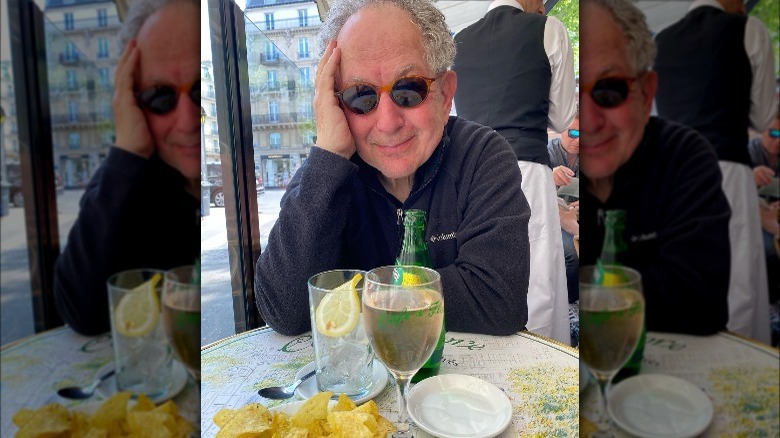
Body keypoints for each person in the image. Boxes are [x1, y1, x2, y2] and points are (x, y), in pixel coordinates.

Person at [254, 0, 532, 337]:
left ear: (445, 95)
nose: (387, 123)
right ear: (336, 107)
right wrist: (328, 156)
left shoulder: (482, 156)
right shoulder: (328, 169)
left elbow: (498, 300)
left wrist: (354, 294)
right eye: (360, 97)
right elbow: (285, 309)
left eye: (408, 89)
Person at [579, 0, 732, 335]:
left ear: (646, 95)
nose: (588, 121)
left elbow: (701, 302)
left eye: (608, 90)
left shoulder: (685, 156)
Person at [54, 0, 201, 335]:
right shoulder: (127, 184)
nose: (188, 120)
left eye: (198, 91)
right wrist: (125, 153)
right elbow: (81, 312)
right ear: (131, 99)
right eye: (160, 96)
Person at [451, 0, 577, 344]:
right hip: (527, 171)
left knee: (483, 273)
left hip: (472, 177)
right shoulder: (547, 30)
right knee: (538, 281)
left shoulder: (459, 41)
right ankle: (541, 373)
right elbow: (563, 119)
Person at [653, 0, 776, 344]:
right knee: (736, 285)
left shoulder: (662, 41)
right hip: (725, 172)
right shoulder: (747, 30)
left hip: (673, 179)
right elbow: (764, 118)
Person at [548, 113, 579, 305]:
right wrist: (548, 176)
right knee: (571, 254)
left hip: (575, 214)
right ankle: (569, 302)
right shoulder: (547, 154)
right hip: (555, 215)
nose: (578, 140)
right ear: (561, 130)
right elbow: (529, 189)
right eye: (573, 132)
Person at [749, 112, 779, 308]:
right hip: (755, 216)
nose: (778, 141)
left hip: (774, 215)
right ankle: (768, 304)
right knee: (768, 249)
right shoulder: (749, 153)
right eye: (773, 133)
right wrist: (751, 177)